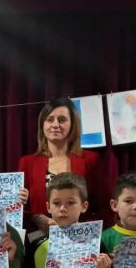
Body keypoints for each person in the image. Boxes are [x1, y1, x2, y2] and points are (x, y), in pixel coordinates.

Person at [18, 98, 102, 233]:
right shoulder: (27, 163)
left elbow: (103, 207)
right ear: (42, 124)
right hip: (39, 237)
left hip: (81, 238)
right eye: (50, 119)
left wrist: (82, 231)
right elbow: (20, 210)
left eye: (62, 120)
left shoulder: (91, 160)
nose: (55, 125)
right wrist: (37, 219)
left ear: (72, 124)